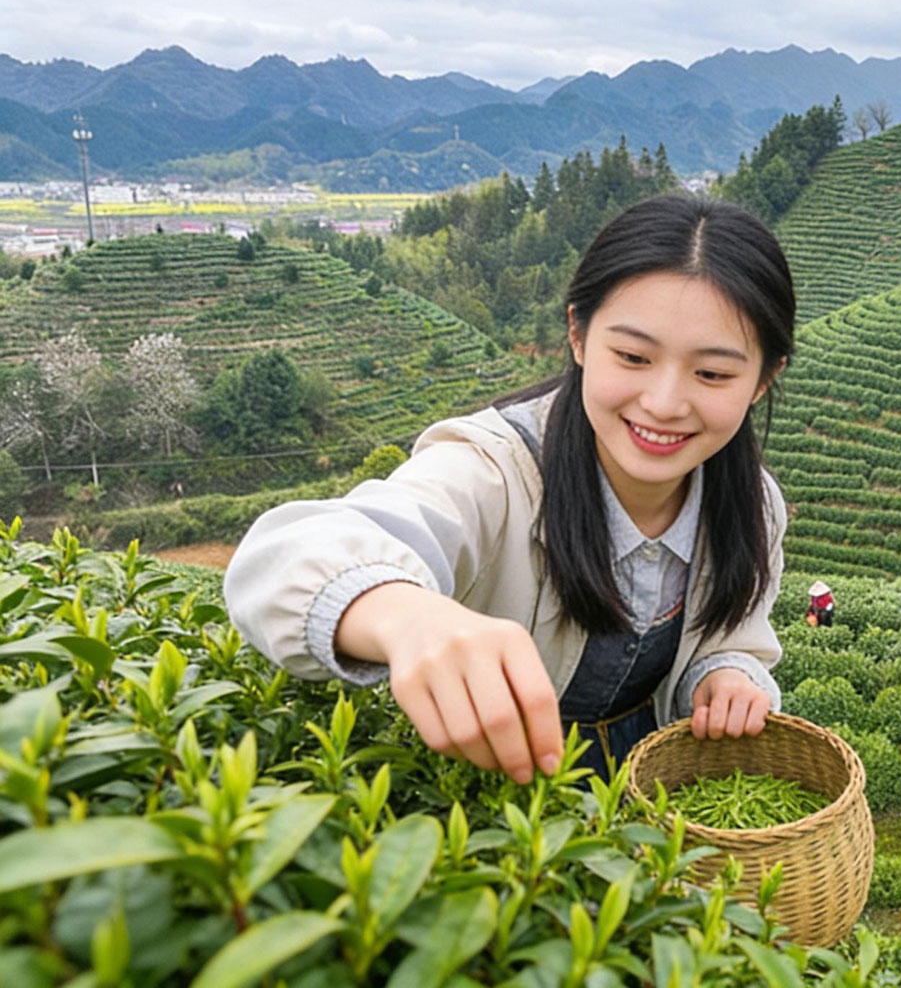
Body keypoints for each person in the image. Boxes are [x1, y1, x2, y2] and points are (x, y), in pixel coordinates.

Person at [224, 194, 796, 787]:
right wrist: (406, 616)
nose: (664, 402)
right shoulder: (492, 471)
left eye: (713, 374)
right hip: (489, 791)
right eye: (632, 356)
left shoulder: (753, 504)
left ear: (762, 379)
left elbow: (734, 636)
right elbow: (283, 558)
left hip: (646, 796)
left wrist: (725, 674)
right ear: (577, 336)